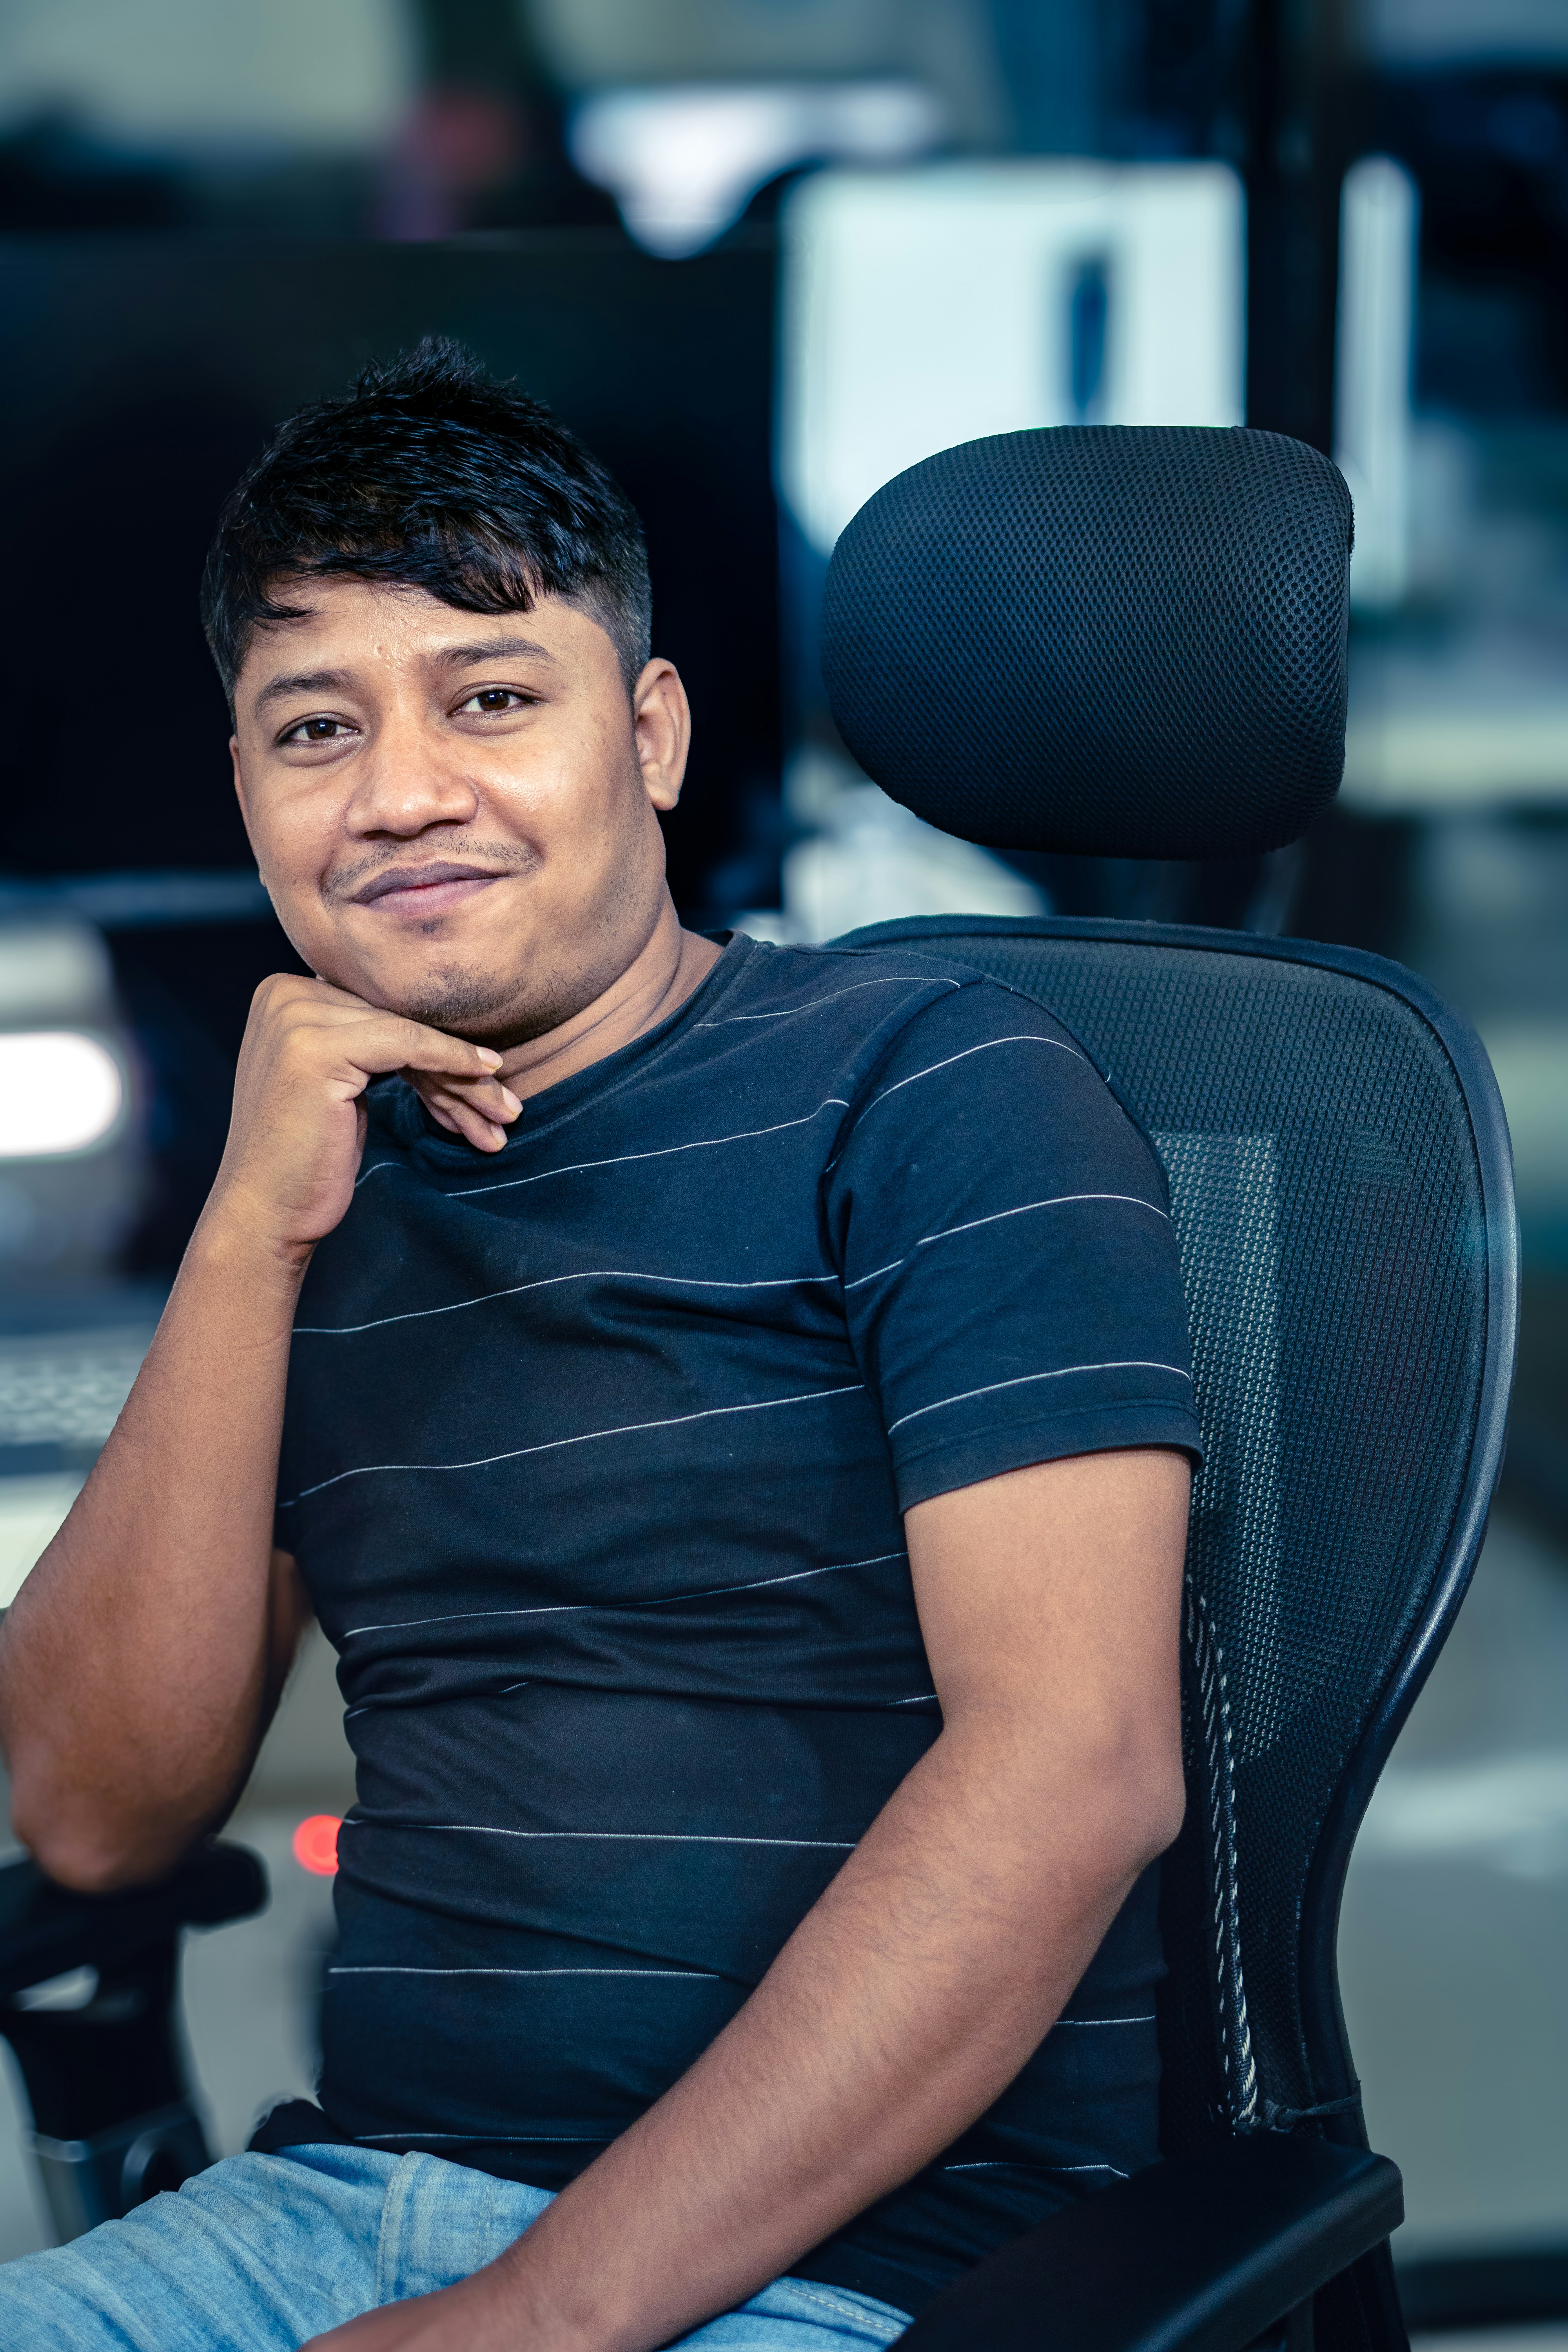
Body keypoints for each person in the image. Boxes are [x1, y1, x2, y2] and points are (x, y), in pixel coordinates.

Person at [0, 341, 1199, 2352]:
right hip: (328, 2219)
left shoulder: (931, 1087)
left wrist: (544, 2315)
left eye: (490, 700)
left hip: (854, 2273)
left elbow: (1073, 1769)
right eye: (313, 729)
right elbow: (96, 1818)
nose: (400, 794)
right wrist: (239, 1243)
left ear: (647, 733)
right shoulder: (325, 1181)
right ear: (242, 786)